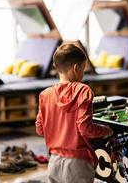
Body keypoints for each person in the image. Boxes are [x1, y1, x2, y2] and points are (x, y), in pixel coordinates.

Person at [35, 40, 113, 183]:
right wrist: (105, 130)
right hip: (79, 162)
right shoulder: (83, 90)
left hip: (54, 160)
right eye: (83, 69)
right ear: (76, 68)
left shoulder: (45, 95)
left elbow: (40, 129)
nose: (83, 73)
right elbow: (85, 128)